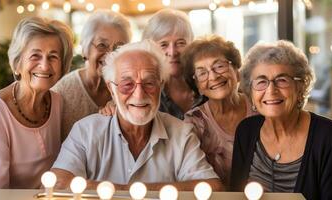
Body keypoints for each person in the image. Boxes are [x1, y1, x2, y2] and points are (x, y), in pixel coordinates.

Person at [51, 40, 222, 191]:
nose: (139, 95)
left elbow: (211, 187)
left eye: (149, 83)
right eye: (127, 84)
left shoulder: (181, 133)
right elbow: (57, 183)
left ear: (160, 86)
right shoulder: (85, 131)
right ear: (112, 89)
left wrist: (124, 190)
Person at [230, 40, 332, 199]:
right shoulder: (246, 131)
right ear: (250, 92)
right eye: (261, 81)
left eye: (282, 80)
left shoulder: (328, 136)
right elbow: (235, 196)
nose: (271, 90)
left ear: (300, 86)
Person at [0, 17, 74, 188]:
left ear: (62, 66)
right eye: (35, 55)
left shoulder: (58, 102)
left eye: (53, 57)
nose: (44, 66)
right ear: (17, 63)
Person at [182, 35, 256, 188]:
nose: (214, 76)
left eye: (219, 66)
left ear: (236, 71)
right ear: (197, 86)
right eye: (202, 73)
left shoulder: (260, 107)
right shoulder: (194, 122)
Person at [52, 10, 131, 138]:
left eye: (118, 48)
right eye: (102, 45)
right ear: (85, 49)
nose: (110, 54)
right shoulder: (62, 93)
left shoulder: (130, 90)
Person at [142, 9, 195, 120]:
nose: (172, 52)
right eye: (163, 44)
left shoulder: (206, 85)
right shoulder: (143, 94)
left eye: (180, 43)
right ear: (151, 49)